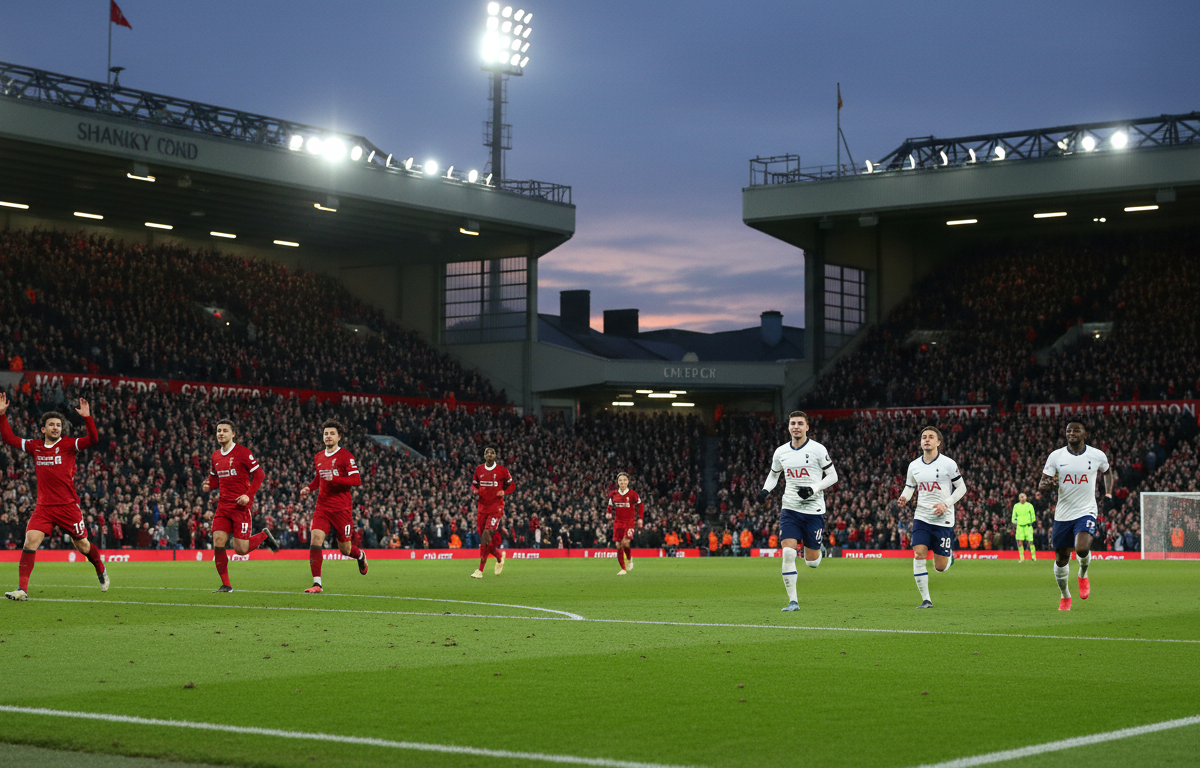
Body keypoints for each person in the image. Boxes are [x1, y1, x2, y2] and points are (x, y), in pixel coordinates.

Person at [1, 393, 109, 601]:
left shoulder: (68, 445)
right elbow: (9, 438)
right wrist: (1, 415)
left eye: (58, 425)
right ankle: (22, 589)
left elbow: (93, 439)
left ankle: (99, 566)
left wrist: (87, 417)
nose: (56, 428)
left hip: (68, 506)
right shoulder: (35, 446)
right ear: (43, 429)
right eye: (51, 425)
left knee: (83, 546)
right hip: (44, 507)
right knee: (30, 541)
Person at [757, 411, 838, 612]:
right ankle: (793, 601)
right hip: (790, 509)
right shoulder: (781, 452)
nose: (796, 427)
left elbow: (833, 476)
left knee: (812, 563)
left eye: (800, 423)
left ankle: (818, 550)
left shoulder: (818, 449)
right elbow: (773, 475)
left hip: (813, 510)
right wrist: (765, 490)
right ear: (788, 427)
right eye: (793, 423)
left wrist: (813, 489)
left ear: (807, 427)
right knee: (787, 552)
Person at [1039, 421, 1113, 611]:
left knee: (1081, 548)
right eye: (1068, 430)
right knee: (1061, 558)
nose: (1072, 433)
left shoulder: (1097, 455)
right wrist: (1049, 484)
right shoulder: (1056, 456)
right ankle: (1065, 595)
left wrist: (1108, 493)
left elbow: (1107, 472)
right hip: (1063, 514)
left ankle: (1083, 573)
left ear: (1084, 433)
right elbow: (1042, 483)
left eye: (1076, 430)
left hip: (1086, 510)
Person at [201, 418, 278, 593]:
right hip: (223, 507)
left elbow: (260, 474)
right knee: (218, 542)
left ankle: (264, 536)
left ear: (233, 433)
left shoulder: (243, 453)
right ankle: (226, 585)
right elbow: (215, 478)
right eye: (218, 431)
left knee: (241, 550)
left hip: (240, 507)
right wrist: (208, 485)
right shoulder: (215, 455)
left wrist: (248, 496)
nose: (221, 433)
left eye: (225, 430)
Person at [896, 426, 965, 609]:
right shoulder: (914, 466)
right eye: (924, 437)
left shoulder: (948, 464)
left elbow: (962, 488)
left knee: (940, 567)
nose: (926, 439)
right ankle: (926, 599)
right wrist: (904, 497)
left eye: (931, 437)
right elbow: (910, 486)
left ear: (938, 442)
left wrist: (946, 504)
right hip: (922, 516)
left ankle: (949, 557)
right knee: (919, 553)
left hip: (943, 518)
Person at [298, 420, 366, 593]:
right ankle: (317, 584)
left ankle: (360, 555)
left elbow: (356, 480)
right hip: (322, 507)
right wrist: (309, 488)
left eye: (332, 433)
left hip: (342, 509)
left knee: (345, 549)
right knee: (315, 540)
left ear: (339, 437)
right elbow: (319, 478)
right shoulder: (318, 457)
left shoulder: (346, 456)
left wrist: (335, 479)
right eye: (326, 433)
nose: (328, 436)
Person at [470, 446, 515, 579]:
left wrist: (504, 492)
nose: (489, 454)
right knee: (485, 540)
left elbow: (512, 485)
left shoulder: (502, 470)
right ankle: (499, 557)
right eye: (487, 452)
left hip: (496, 509)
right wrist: (474, 490)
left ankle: (480, 570)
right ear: (484, 455)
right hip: (482, 508)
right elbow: (474, 485)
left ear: (495, 455)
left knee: (486, 535)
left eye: (492, 452)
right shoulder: (479, 470)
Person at [606, 472, 643, 575]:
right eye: (620, 480)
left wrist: (640, 518)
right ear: (618, 482)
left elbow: (640, 505)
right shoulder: (613, 494)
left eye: (624, 480)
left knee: (625, 543)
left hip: (629, 522)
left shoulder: (633, 494)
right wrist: (608, 513)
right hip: (618, 522)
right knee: (618, 545)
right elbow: (610, 505)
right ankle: (623, 569)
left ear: (628, 481)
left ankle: (629, 559)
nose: (622, 482)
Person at [1011, 492, 1037, 562]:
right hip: (1020, 527)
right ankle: (1022, 558)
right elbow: (1013, 516)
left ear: (1026, 497)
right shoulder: (1016, 506)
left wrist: (1031, 522)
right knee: (1020, 542)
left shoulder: (1029, 506)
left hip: (1028, 526)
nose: (1022, 498)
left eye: (1023, 497)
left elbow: (1033, 516)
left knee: (1031, 542)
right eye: (1021, 497)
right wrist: (1015, 523)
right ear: (1019, 498)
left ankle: (1033, 557)